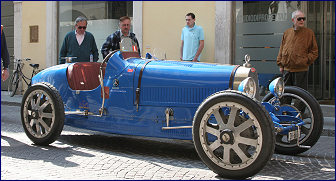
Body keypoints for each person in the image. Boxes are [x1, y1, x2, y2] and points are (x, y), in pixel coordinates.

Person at [276, 10, 318, 90]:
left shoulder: (309, 33)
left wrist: (305, 60)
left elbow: (314, 51)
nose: (302, 20)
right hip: (287, 70)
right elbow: (282, 49)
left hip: (301, 70)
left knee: (300, 95)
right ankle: (285, 103)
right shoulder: (287, 32)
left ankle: (298, 103)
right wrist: (281, 65)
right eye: (299, 19)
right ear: (293, 20)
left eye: (303, 19)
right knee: (285, 93)